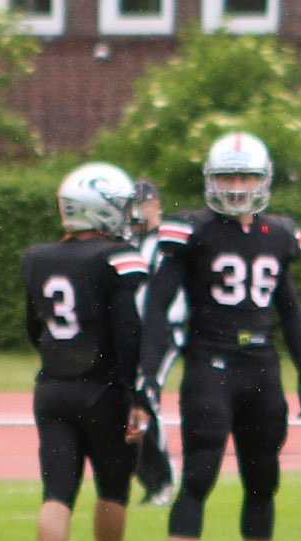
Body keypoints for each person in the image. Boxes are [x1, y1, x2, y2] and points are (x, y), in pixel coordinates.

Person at [139, 131, 301, 541]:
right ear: (209, 181)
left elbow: (291, 308)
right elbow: (158, 302)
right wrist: (148, 372)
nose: (237, 186)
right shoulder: (192, 230)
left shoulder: (280, 234)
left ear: (264, 180)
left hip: (262, 365)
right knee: (200, 472)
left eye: (246, 176)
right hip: (211, 363)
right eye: (227, 176)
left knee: (264, 477)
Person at [20, 163, 158, 541]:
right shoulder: (116, 258)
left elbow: (32, 328)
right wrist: (137, 393)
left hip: (52, 387)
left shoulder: (37, 258)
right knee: (112, 487)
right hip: (104, 390)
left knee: (57, 491)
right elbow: (129, 331)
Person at [129, 178, 183, 509]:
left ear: (154, 204)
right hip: (138, 331)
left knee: (145, 395)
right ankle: (150, 477)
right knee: (133, 400)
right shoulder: (135, 242)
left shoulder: (163, 242)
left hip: (163, 329)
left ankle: (162, 477)